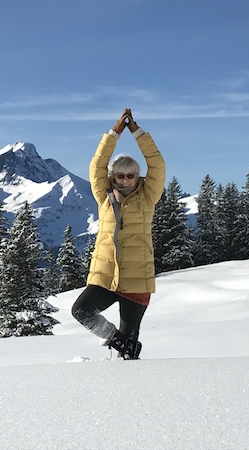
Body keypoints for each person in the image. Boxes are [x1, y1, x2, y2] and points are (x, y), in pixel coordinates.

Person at [72, 109, 166, 359]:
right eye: (120, 176)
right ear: (113, 177)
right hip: (106, 277)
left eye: (130, 176)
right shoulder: (103, 196)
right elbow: (97, 165)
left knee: (128, 353)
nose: (125, 180)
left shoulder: (148, 197)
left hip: (137, 279)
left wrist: (137, 133)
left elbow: (157, 164)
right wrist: (113, 134)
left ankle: (128, 362)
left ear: (137, 177)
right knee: (81, 311)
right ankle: (116, 340)